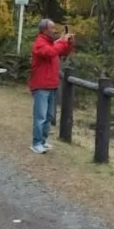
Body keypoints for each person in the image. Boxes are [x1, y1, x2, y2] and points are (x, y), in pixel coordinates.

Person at [29, 18, 73, 154]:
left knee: (48, 117)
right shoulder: (39, 43)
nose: (54, 30)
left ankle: (43, 141)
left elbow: (63, 52)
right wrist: (62, 42)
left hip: (52, 85)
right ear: (44, 30)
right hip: (41, 85)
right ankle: (36, 143)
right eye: (52, 28)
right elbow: (51, 52)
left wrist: (68, 42)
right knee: (40, 117)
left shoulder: (52, 43)